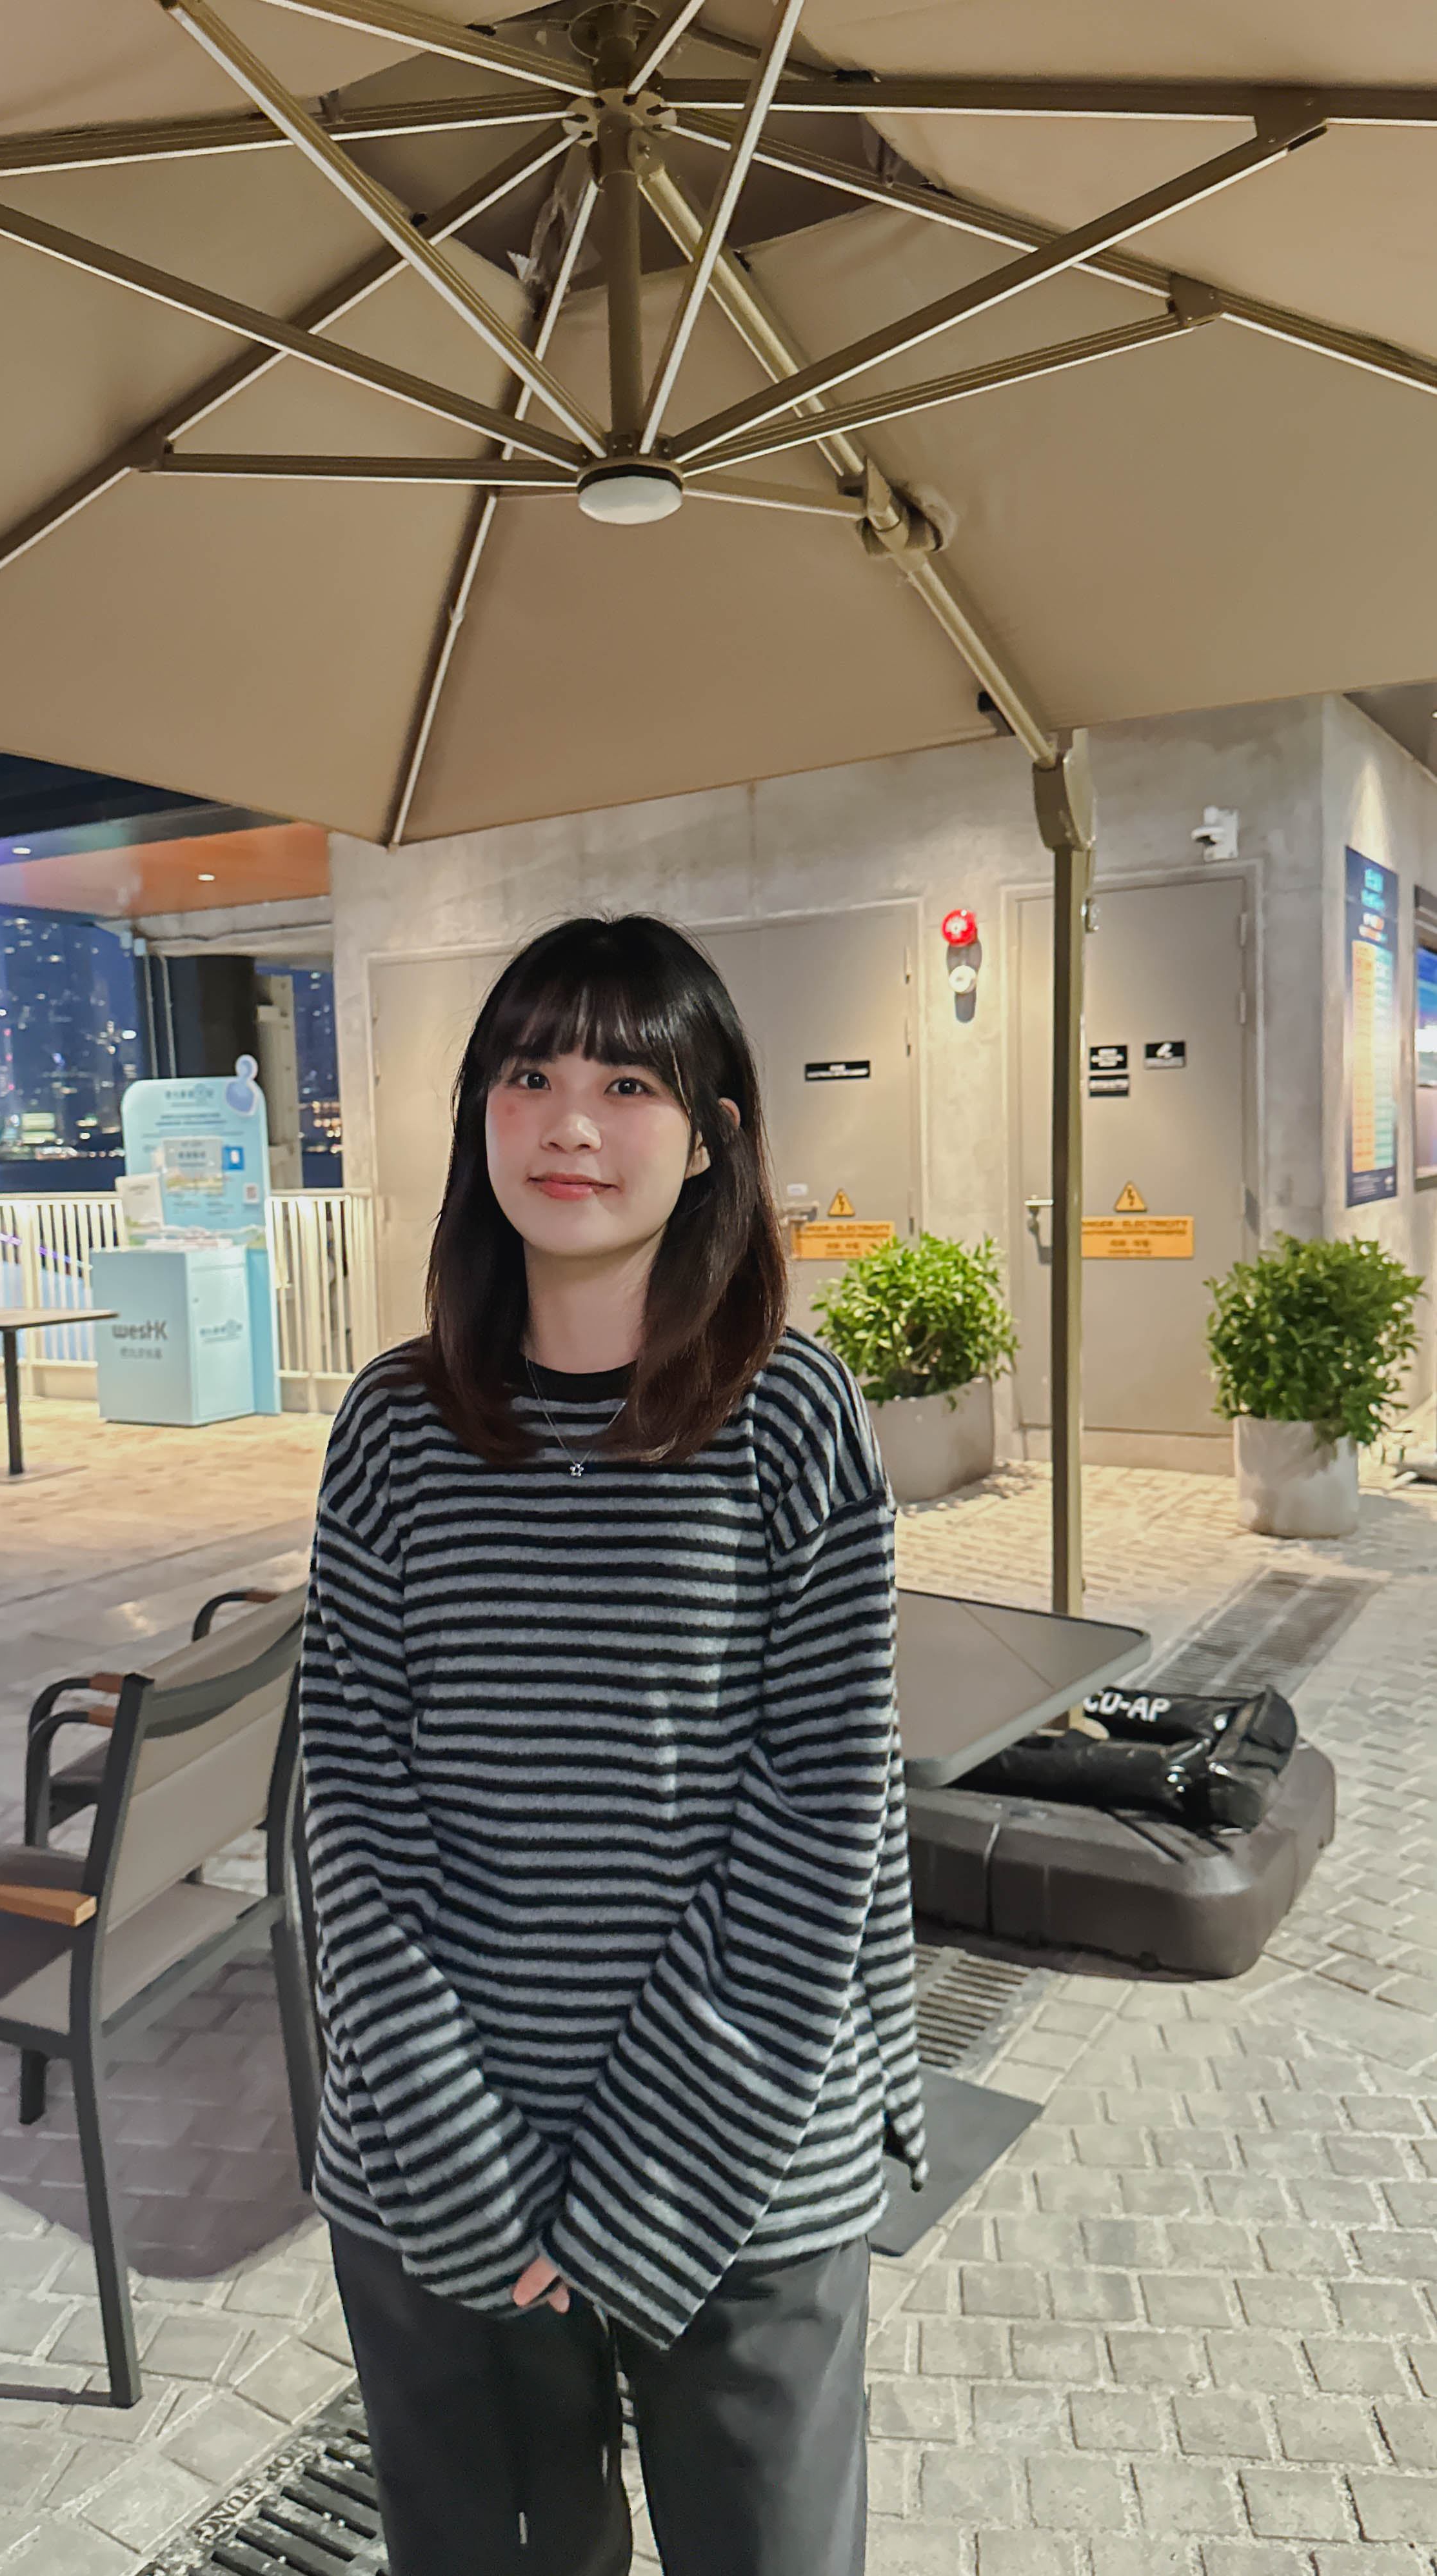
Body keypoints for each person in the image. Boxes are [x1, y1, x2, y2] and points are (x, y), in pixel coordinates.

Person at [298, 914, 926, 2576]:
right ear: (478, 1117)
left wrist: (638, 2188)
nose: (569, 1122)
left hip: (746, 2167)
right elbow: (353, 1822)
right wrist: (473, 2170)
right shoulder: (393, 1429)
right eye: (528, 1075)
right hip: (441, 2173)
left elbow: (819, 1825)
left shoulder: (791, 1418)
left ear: (712, 1136)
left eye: (629, 1084)